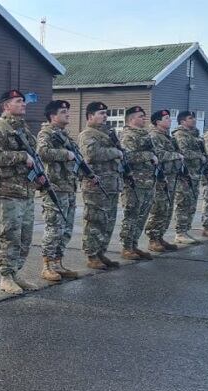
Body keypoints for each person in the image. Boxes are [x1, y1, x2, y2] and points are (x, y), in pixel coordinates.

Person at [0, 89, 40, 294]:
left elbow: (33, 156)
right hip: (8, 191)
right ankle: (5, 277)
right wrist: (21, 157)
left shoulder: (23, 128)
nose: (23, 104)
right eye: (18, 101)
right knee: (9, 235)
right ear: (6, 106)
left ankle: (16, 272)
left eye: (23, 101)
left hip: (26, 190)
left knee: (25, 236)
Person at [36, 100, 79, 282]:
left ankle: (57, 262)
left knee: (66, 229)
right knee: (54, 228)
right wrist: (65, 154)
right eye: (63, 112)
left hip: (68, 187)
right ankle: (46, 265)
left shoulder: (65, 135)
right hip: (55, 187)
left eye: (67, 111)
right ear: (53, 116)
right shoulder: (46, 133)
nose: (67, 114)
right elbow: (42, 152)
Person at [77, 102, 123, 270]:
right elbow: (91, 154)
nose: (105, 116)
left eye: (106, 113)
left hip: (111, 184)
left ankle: (101, 251)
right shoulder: (87, 134)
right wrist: (116, 153)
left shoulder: (108, 134)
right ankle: (91, 255)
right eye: (101, 113)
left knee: (108, 221)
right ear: (90, 116)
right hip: (96, 186)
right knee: (94, 220)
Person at [118, 106, 157, 261]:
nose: (144, 119)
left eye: (144, 116)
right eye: (141, 116)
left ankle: (134, 245)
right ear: (132, 119)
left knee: (142, 216)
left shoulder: (145, 135)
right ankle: (126, 247)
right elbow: (128, 157)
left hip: (147, 181)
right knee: (132, 215)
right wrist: (149, 155)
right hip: (134, 182)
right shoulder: (127, 135)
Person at [144, 109, 181, 252]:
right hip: (161, 178)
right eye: (166, 118)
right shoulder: (154, 136)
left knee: (167, 209)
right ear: (157, 122)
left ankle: (160, 236)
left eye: (169, 118)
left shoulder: (168, 137)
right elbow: (158, 154)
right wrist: (175, 155)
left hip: (171, 177)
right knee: (159, 208)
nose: (169, 120)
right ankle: (153, 239)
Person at [172, 111, 205, 244]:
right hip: (185, 176)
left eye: (194, 118)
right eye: (190, 118)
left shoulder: (194, 135)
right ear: (182, 121)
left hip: (195, 175)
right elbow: (184, 152)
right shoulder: (180, 134)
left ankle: (185, 230)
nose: (194, 120)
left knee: (191, 204)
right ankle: (179, 232)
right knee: (183, 203)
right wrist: (199, 155)